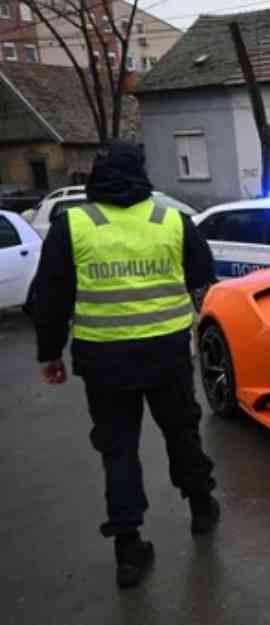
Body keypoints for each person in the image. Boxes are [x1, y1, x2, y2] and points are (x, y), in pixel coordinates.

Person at [33, 140, 220, 589]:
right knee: (182, 432)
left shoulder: (72, 224)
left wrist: (49, 353)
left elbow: (50, 299)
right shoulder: (171, 221)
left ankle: (128, 551)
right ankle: (200, 507)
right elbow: (203, 282)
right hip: (166, 357)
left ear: (95, 177)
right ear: (142, 173)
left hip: (104, 362)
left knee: (118, 450)